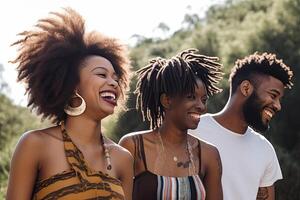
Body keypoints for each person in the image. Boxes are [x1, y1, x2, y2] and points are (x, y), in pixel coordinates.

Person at [6, 8, 133, 200]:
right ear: (73, 85)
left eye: (116, 78)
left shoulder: (123, 158)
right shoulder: (35, 145)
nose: (113, 82)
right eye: (101, 74)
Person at [119, 49, 223, 200]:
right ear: (167, 100)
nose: (201, 106)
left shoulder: (209, 155)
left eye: (204, 99)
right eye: (191, 97)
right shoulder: (133, 146)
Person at [189, 52, 294, 200]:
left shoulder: (265, 149)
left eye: (279, 99)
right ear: (246, 88)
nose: (278, 106)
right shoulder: (193, 131)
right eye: (273, 95)